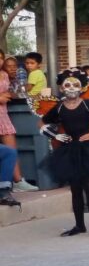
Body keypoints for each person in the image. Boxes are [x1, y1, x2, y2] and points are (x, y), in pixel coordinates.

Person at [39, 68, 89, 236]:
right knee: (75, 188)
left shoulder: (87, 104)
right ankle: (79, 225)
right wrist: (55, 135)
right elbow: (42, 123)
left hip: (88, 149)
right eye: (67, 84)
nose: (71, 87)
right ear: (61, 88)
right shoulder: (59, 107)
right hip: (69, 150)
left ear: (82, 87)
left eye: (75, 84)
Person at [0, 49, 34, 192]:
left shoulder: (4, 75)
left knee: (12, 150)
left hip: (3, 114)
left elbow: (12, 90)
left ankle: (18, 181)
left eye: (1, 58)